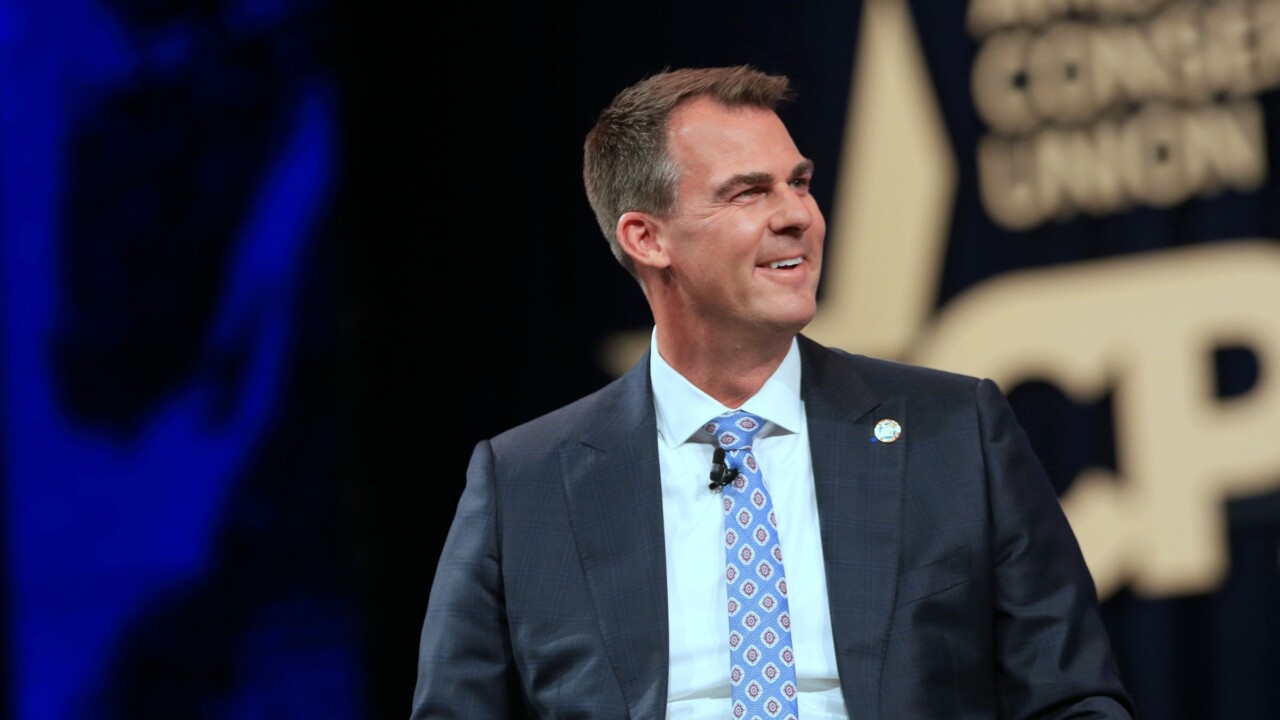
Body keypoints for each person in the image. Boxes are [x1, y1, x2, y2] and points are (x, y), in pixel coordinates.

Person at [411, 64, 1134, 719]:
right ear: (647, 239)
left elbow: (1074, 699)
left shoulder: (955, 432)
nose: (798, 215)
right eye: (749, 192)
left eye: (800, 183)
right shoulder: (526, 486)